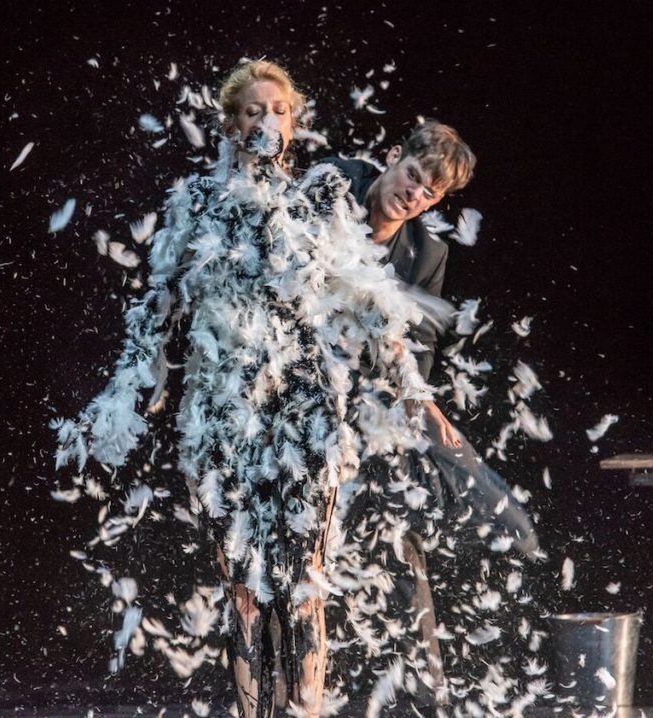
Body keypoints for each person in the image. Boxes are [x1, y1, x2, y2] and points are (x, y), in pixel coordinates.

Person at [53, 60, 434, 718]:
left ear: (294, 123)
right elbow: (158, 305)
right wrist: (120, 396)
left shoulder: (319, 197)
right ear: (231, 123)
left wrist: (410, 386)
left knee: (306, 585)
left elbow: (368, 296)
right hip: (222, 413)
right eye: (254, 111)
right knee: (245, 591)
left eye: (279, 111)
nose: (267, 123)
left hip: (306, 407)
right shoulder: (197, 202)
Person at [323, 123, 539, 707]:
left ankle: (422, 696)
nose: (413, 195)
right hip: (310, 394)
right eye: (413, 176)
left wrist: (418, 404)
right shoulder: (335, 184)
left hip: (379, 404)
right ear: (393, 157)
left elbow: (417, 346)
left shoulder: (427, 252)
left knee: (497, 520)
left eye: (429, 193)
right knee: (352, 540)